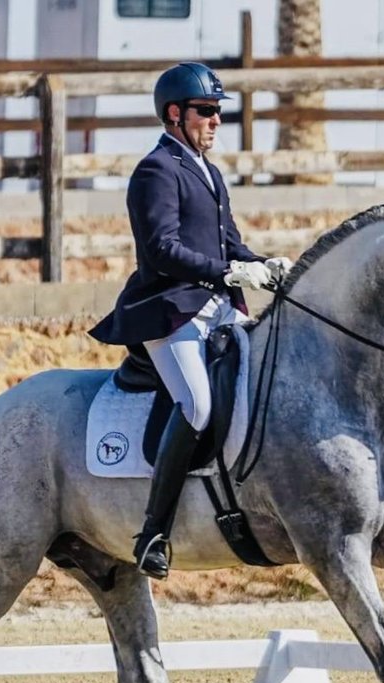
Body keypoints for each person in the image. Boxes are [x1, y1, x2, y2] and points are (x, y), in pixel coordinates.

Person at [89, 61, 293, 580]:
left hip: (219, 308)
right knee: (197, 403)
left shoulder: (208, 170)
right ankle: (153, 533)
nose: (216, 121)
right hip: (171, 310)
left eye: (218, 112)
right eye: (206, 111)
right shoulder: (156, 170)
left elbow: (228, 242)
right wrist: (230, 271)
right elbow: (162, 250)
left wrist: (265, 264)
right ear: (175, 114)